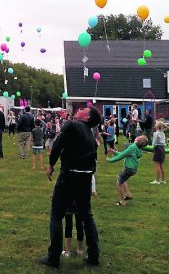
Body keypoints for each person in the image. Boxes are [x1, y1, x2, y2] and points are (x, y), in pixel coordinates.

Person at [41, 107, 101, 268]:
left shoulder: (72, 125)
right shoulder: (90, 133)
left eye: (84, 109)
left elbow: (57, 146)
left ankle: (53, 258)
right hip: (86, 177)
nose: (79, 110)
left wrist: (51, 165)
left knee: (56, 215)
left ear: (87, 117)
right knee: (87, 215)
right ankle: (94, 256)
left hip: (69, 176)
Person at [108, 135, 148, 206]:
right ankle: (128, 195)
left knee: (119, 182)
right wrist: (115, 152)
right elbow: (125, 154)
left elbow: (122, 155)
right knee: (122, 179)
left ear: (137, 140)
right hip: (133, 169)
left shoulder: (132, 147)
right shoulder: (137, 149)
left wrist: (111, 160)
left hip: (128, 168)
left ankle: (122, 201)